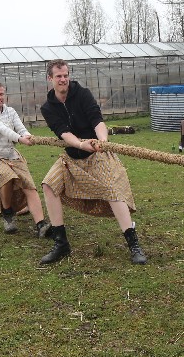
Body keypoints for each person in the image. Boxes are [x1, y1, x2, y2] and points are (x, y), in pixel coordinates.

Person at [38, 60, 146, 265]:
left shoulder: (82, 94)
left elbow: (97, 120)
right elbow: (63, 132)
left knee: (112, 190)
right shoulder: (47, 107)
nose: (63, 79)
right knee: (48, 185)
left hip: (96, 154)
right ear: (50, 78)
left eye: (66, 75)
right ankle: (61, 244)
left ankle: (133, 244)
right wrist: (80, 144)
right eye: (59, 76)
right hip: (71, 156)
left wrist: (102, 141)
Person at [0, 81, 49, 236]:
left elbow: (20, 128)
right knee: (7, 176)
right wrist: (19, 139)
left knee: (29, 185)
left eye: (1, 94)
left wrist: (27, 135)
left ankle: (41, 225)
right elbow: (1, 129)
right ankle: (7, 213)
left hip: (11, 155)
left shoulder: (11, 111)